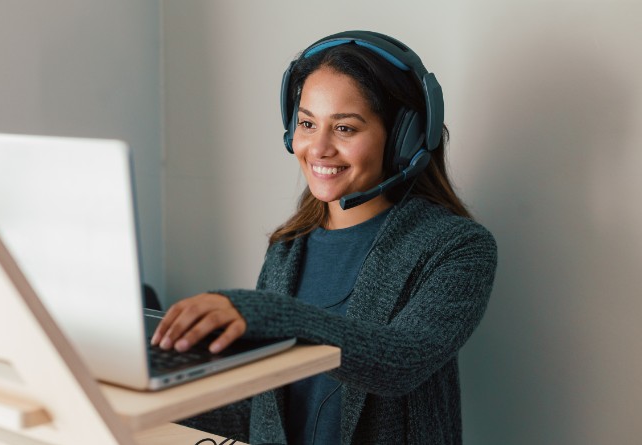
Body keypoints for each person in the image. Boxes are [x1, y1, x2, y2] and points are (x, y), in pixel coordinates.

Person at [151, 31, 497, 445]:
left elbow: (400, 361)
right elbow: (265, 413)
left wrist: (264, 314)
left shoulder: (457, 246)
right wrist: (151, 384)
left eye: (345, 128)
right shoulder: (287, 248)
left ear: (403, 138)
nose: (318, 148)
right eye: (307, 123)